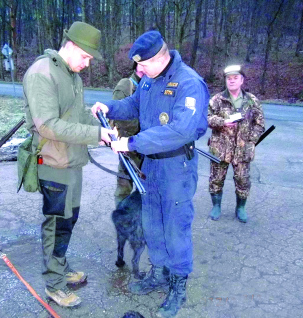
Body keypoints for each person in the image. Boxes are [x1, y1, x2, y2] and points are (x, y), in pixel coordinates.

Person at [92, 31, 209, 318]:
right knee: (152, 224)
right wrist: (110, 107)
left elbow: (181, 130)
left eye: (143, 65)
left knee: (175, 229)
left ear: (160, 58)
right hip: (151, 167)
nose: (138, 71)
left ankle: (178, 287)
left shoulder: (189, 83)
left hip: (176, 168)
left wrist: (130, 143)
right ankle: (158, 274)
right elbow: (134, 105)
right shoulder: (150, 79)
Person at [22, 21, 114, 307]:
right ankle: (54, 284)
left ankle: (60, 267)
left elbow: (74, 116)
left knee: (68, 220)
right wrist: (96, 134)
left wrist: (99, 123)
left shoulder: (70, 73)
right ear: (72, 46)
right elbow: (48, 125)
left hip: (72, 161)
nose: (87, 63)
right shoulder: (42, 72)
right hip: (53, 162)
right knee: (56, 224)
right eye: (86, 56)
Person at [207, 65, 265, 223]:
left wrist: (251, 141)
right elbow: (207, 118)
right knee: (216, 179)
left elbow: (259, 124)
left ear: (242, 80)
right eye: (228, 78)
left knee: (243, 180)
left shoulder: (252, 100)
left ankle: (240, 208)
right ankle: (216, 206)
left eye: (235, 78)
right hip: (220, 148)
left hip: (242, 150)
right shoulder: (217, 99)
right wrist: (223, 122)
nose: (231, 81)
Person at [111, 62, 145, 207]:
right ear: (135, 65)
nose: (144, 68)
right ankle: (122, 220)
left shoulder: (150, 85)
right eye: (141, 64)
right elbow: (113, 115)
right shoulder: (126, 84)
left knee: (145, 189)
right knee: (124, 188)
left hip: (146, 147)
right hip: (128, 148)